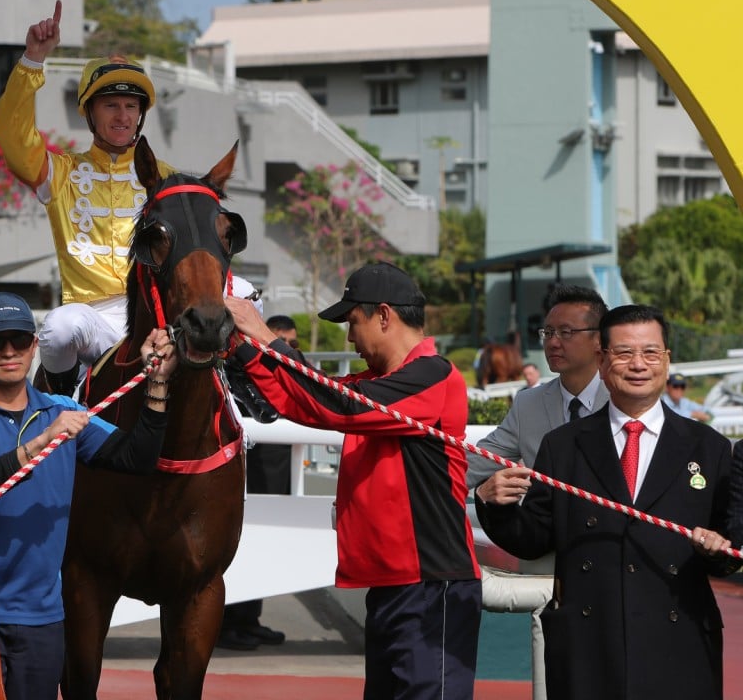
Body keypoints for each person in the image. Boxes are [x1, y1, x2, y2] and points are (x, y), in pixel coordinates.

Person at [226, 262, 480, 699]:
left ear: (384, 316)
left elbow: (335, 404)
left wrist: (264, 335)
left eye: (352, 322)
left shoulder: (433, 374)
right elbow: (301, 399)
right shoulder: (379, 380)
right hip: (392, 585)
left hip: (430, 582)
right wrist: (241, 345)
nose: (349, 338)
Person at [478, 304, 743, 700]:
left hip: (679, 643)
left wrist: (717, 550)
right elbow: (533, 538)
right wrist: (492, 502)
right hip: (588, 643)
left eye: (651, 353)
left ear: (667, 361)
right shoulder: (565, 445)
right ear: (602, 361)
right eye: (624, 353)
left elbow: (732, 542)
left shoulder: (710, 448)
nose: (638, 364)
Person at [0, 292, 174, 700]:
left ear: (34, 346)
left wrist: (157, 382)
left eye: (19, 340)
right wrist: (40, 442)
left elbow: (138, 458)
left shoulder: (61, 409)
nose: (8, 351)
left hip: (42, 618)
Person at [0, 1, 177, 397]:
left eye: (131, 106)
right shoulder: (59, 172)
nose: (122, 115)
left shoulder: (164, 176)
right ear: (89, 113)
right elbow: (13, 135)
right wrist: (33, 59)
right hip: (91, 316)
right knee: (60, 328)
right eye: (111, 104)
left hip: (157, 314)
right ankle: (60, 402)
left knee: (243, 294)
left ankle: (242, 402)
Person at [466, 285, 608, 700]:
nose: (553, 342)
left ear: (599, 338)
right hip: (548, 568)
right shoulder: (528, 405)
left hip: (614, 560)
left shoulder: (625, 399)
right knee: (552, 679)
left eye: (566, 331)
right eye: (547, 333)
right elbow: (474, 461)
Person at [218, 314, 297, 651]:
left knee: (269, 548)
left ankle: (250, 620)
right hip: (244, 476)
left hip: (279, 473)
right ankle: (227, 625)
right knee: (237, 549)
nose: (286, 348)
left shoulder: (291, 370)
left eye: (292, 344)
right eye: (280, 340)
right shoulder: (238, 370)